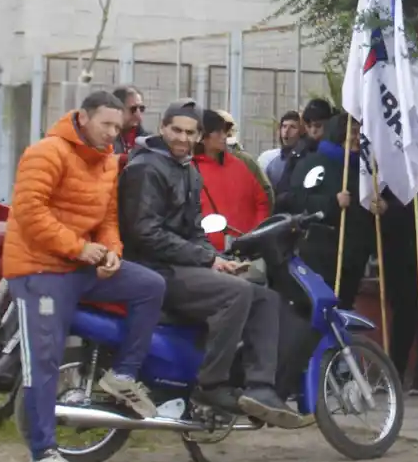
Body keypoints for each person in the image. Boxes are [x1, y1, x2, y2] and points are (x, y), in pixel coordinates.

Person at [2, 91, 166, 462]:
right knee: (44, 359)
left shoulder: (108, 160)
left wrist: (112, 253)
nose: (112, 133)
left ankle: (123, 375)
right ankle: (42, 456)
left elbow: (107, 219)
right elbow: (30, 212)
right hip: (40, 270)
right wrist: (80, 248)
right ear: (84, 118)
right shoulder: (46, 152)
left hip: (82, 266)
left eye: (117, 127)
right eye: (105, 124)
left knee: (149, 285)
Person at [118, 101, 304, 428]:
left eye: (190, 132)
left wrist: (218, 260)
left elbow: (195, 228)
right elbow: (145, 233)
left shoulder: (187, 169)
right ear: (162, 128)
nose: (183, 137)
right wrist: (206, 258)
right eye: (176, 130)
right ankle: (211, 384)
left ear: (199, 136)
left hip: (180, 265)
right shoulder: (146, 168)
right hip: (153, 269)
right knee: (237, 294)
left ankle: (260, 388)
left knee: (265, 297)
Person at [276, 113, 375, 310]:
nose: (357, 138)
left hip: (353, 254)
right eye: (353, 132)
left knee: (345, 306)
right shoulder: (314, 163)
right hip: (321, 252)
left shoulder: (365, 168)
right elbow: (294, 200)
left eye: (360, 133)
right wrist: (332, 202)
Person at [193, 109, 271, 253]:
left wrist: (256, 234)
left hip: (246, 251)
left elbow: (262, 201)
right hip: (207, 254)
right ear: (203, 138)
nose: (224, 136)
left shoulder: (239, 165)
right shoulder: (190, 170)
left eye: (225, 131)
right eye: (218, 132)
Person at [259, 111, 302, 188]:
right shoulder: (268, 158)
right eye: (284, 126)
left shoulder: (308, 159)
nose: (286, 131)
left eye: (292, 127)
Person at [111, 85, 146, 155]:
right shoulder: (105, 138)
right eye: (133, 109)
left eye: (141, 108)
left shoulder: (148, 141)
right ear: (117, 109)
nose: (138, 114)